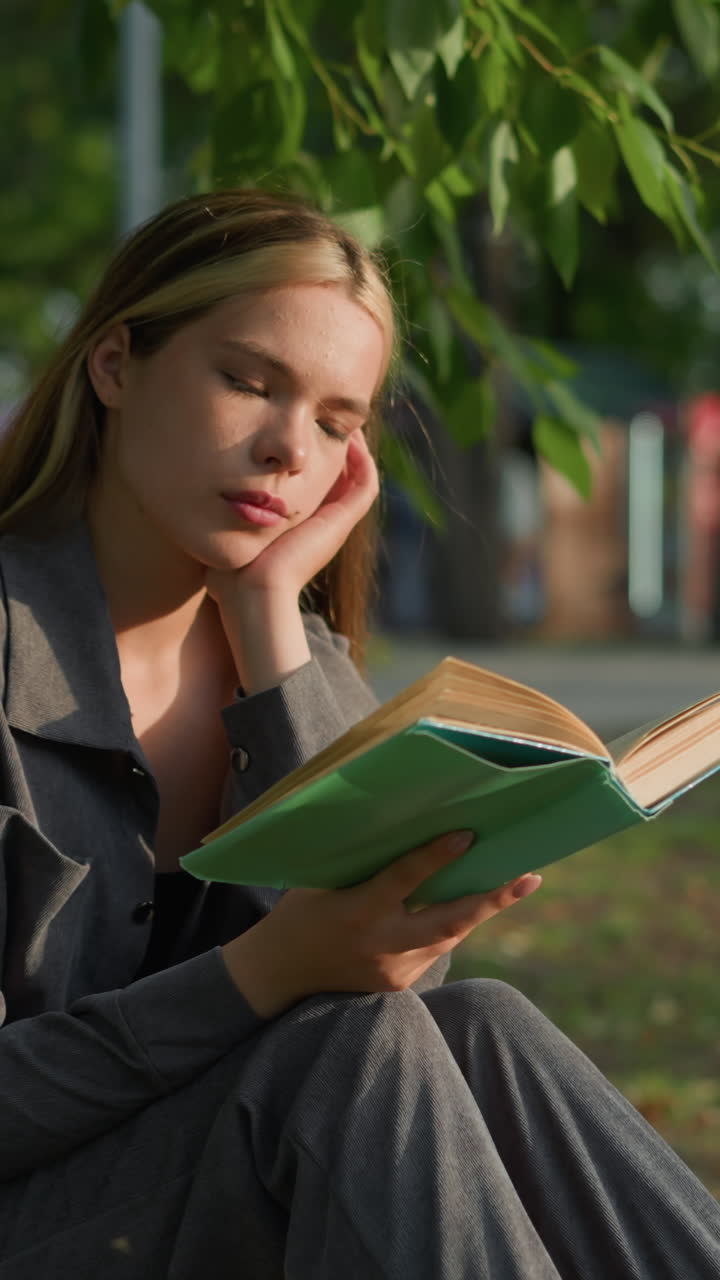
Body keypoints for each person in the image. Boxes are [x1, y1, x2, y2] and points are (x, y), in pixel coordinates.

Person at [0, 189, 717, 1280]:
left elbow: (412, 1049)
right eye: (248, 380)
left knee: (484, 1022)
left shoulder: (296, 653)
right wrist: (258, 974)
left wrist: (269, 617)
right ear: (115, 365)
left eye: (338, 421)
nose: (291, 447)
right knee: (353, 1048)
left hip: (213, 1201)